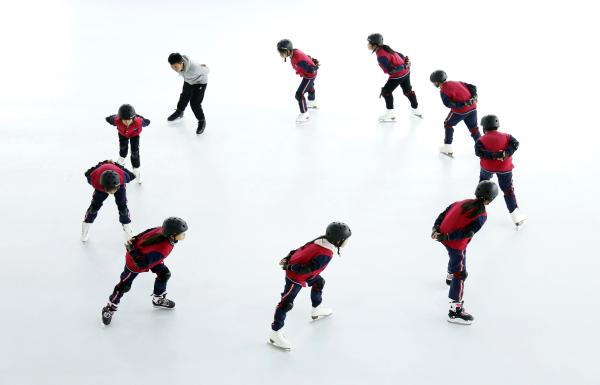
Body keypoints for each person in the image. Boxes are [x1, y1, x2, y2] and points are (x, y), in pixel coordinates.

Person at [269, 222, 352, 350]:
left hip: (306, 273)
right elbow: (307, 268)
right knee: (286, 303)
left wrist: (288, 257)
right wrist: (289, 265)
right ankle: (274, 333)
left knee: (319, 282)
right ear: (338, 240)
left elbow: (301, 250)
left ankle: (316, 310)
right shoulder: (326, 253)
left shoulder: (321, 240)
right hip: (296, 276)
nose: (347, 241)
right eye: (346, 239)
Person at [431, 181, 498, 325]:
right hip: (454, 243)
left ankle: (450, 276)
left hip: (443, 237)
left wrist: (436, 229)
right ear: (491, 200)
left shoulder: (461, 202)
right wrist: (447, 237)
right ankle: (455, 311)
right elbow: (467, 233)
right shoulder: (482, 215)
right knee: (460, 273)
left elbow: (444, 213)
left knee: (455, 258)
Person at [101, 217, 188, 326]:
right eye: (182, 233)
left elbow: (146, 232)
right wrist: (131, 248)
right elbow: (141, 264)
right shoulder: (163, 248)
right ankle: (110, 308)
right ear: (172, 235)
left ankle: (158, 299)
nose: (184, 235)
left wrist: (134, 239)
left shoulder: (162, 230)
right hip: (134, 263)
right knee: (124, 285)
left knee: (164, 274)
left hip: (151, 257)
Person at [475, 115, 527, 229]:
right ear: (497, 125)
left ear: (484, 128)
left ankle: (475, 211)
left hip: (487, 167)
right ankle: (516, 218)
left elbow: (478, 152)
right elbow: (516, 144)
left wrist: (493, 155)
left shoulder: (481, 139)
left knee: (482, 186)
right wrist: (506, 153)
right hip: (505, 168)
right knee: (508, 191)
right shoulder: (507, 136)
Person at [367, 33, 421, 122]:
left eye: (369, 43)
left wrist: (403, 66)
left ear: (375, 44)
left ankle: (390, 114)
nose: (367, 45)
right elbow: (400, 55)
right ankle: (415, 111)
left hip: (398, 75)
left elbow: (391, 71)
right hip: (406, 72)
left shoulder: (381, 55)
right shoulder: (385, 47)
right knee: (408, 91)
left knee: (386, 92)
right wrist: (406, 63)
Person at [81, 160, 136, 242]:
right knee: (93, 208)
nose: (111, 193)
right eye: (109, 191)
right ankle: (85, 230)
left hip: (118, 183)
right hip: (101, 184)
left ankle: (129, 232)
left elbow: (132, 175)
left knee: (123, 208)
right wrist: (102, 163)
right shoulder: (94, 180)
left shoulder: (123, 177)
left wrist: (115, 164)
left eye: (113, 190)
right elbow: (87, 173)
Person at [430, 70, 481, 157]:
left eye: (433, 83)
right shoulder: (457, 82)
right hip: (473, 107)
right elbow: (472, 87)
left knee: (448, 124)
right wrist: (472, 99)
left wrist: (462, 104)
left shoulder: (443, 90)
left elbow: (448, 104)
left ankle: (447, 147)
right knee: (474, 129)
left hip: (461, 111)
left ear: (437, 82)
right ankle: (482, 148)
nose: (433, 84)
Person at [105, 104, 150, 183]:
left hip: (134, 136)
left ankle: (136, 169)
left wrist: (138, 117)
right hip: (122, 134)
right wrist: (112, 117)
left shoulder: (138, 121)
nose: (126, 122)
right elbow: (109, 118)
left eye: (129, 120)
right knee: (123, 147)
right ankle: (122, 158)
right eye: (124, 120)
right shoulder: (116, 120)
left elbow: (147, 122)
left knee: (135, 152)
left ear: (133, 118)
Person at [276, 39, 319, 123]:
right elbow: (305, 57)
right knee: (310, 87)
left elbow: (310, 69)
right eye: (280, 52)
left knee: (299, 94)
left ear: (288, 51)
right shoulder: (293, 52)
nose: (281, 54)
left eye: (282, 52)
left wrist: (312, 68)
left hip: (309, 76)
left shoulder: (298, 58)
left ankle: (305, 114)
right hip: (307, 75)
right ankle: (312, 101)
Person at [167, 53, 210, 135]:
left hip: (200, 82)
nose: (174, 69)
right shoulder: (180, 65)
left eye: (175, 67)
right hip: (189, 80)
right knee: (184, 96)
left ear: (181, 63)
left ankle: (201, 121)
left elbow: (207, 71)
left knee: (194, 103)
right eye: (172, 67)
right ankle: (180, 112)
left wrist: (205, 67)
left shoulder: (195, 68)